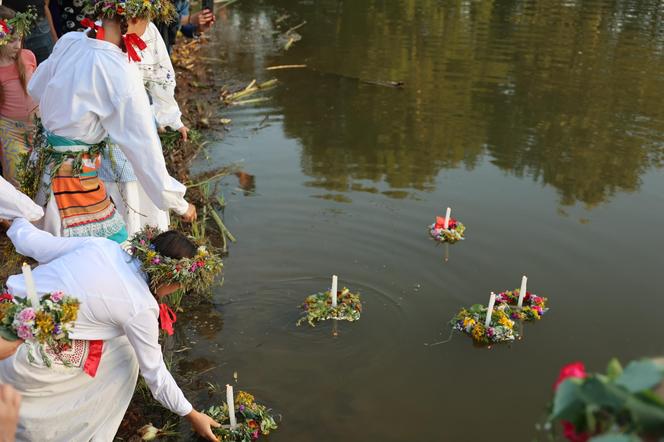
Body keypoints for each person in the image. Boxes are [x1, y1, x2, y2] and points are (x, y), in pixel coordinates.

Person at [0, 218, 222, 441]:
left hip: (5, 308)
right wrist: (192, 414)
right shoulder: (141, 307)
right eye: (180, 285)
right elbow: (156, 374)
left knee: (120, 338)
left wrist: (16, 224)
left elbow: (36, 243)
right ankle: (77, 425)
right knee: (127, 357)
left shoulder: (103, 246)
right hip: (20, 354)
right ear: (170, 278)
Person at [26, 0, 196, 243]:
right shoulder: (119, 71)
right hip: (72, 175)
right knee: (94, 249)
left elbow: (35, 88)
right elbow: (144, 149)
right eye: (148, 21)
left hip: (42, 161)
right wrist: (180, 204)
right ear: (135, 19)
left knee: (49, 243)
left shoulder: (71, 41)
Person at [97, 2, 189, 235]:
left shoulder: (150, 34)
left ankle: (148, 241)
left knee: (144, 179)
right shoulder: (95, 35)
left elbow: (160, 77)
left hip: (139, 122)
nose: (148, 24)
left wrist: (170, 119)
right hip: (103, 130)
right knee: (116, 189)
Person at [0, 7, 39, 188]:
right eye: (11, 40)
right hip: (10, 131)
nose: (18, 45)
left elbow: (38, 90)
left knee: (37, 174)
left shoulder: (28, 57)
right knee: (17, 179)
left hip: (35, 129)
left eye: (20, 39)